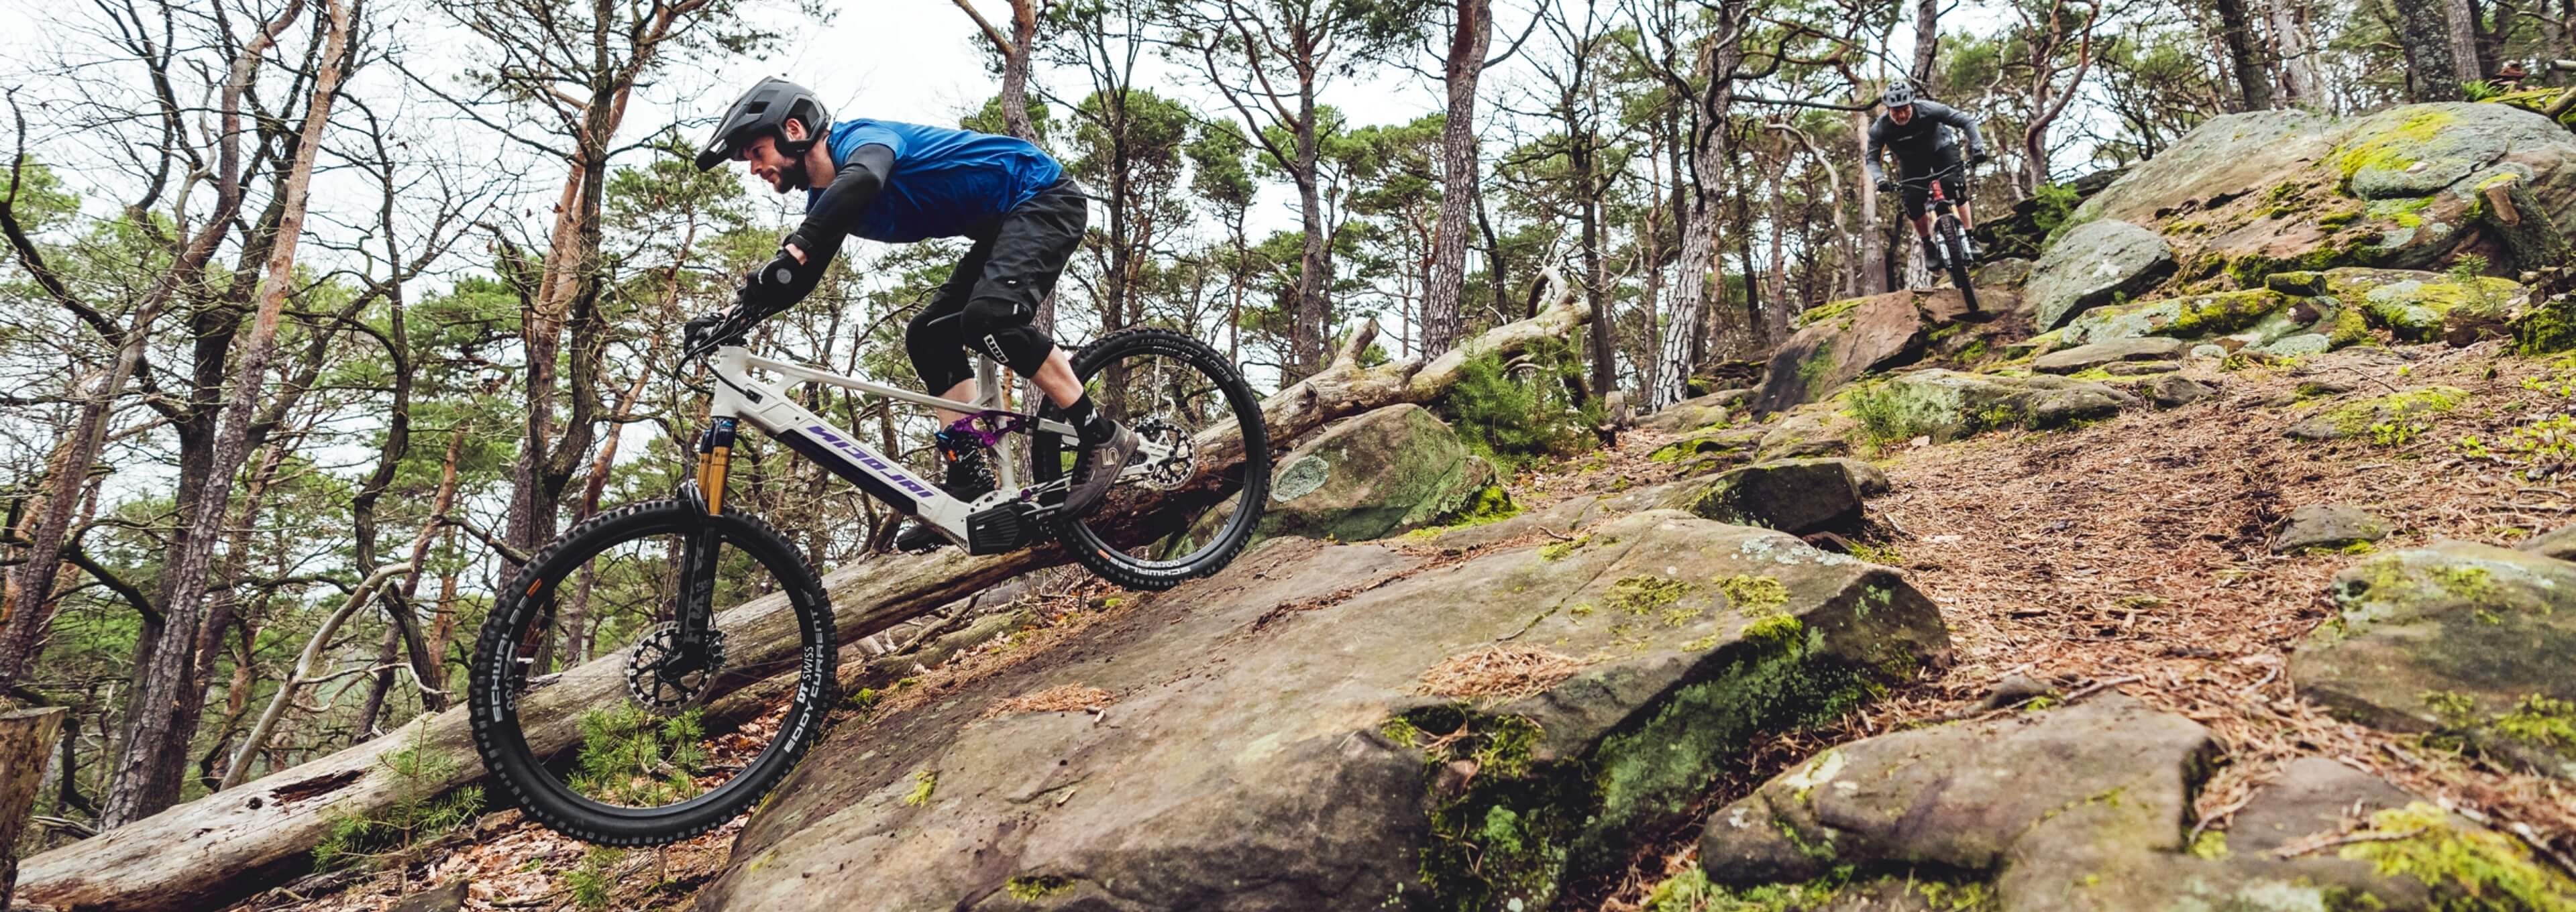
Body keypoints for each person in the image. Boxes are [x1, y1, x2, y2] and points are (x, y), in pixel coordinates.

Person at [694, 77, 1136, 549]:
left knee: (990, 318)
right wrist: (733, 317)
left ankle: (1103, 436)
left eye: (756, 152)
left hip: (1043, 197)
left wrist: (798, 247)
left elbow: (863, 178)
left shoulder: (862, 141)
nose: (753, 168)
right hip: (1001, 223)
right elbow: (794, 281)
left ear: (795, 129)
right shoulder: (826, 200)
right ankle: (969, 476)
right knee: (928, 335)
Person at [1864, 82, 1987, 272]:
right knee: (1913, 201)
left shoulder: (1929, 109)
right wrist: (1880, 179)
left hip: (1940, 148)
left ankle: (1969, 238)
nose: (1902, 116)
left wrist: (1978, 148)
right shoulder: (1880, 128)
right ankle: (1928, 245)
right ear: (1888, 110)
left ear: (1912, 104)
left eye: (1905, 110)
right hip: (1911, 162)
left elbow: (1967, 121)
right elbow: (1871, 159)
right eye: (1896, 112)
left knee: (1954, 186)